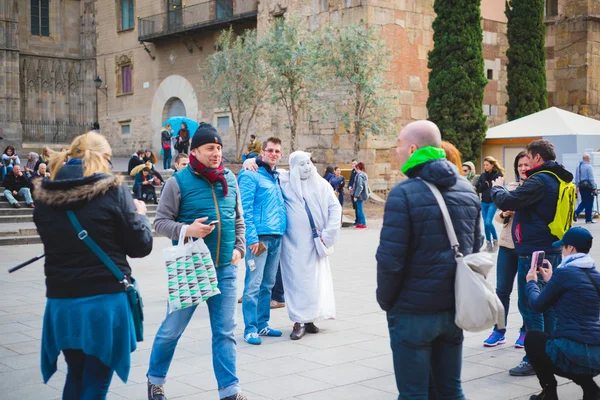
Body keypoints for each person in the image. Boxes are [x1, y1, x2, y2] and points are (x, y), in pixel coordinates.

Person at [33, 131, 152, 399]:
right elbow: (140, 246)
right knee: (96, 383)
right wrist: (141, 216)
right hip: (103, 303)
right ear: (105, 159)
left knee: (75, 374)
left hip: (61, 302)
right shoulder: (112, 190)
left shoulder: (44, 196)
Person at [376, 120, 482, 399]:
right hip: (453, 307)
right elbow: (476, 247)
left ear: (412, 148)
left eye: (399, 144)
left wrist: (386, 301)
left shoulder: (404, 193)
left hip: (413, 311)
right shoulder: (467, 189)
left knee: (413, 393)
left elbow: (390, 260)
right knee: (450, 389)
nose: (397, 151)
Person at [147, 122, 248, 400]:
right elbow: (160, 223)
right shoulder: (177, 182)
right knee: (172, 330)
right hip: (191, 268)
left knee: (225, 332)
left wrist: (239, 249)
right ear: (195, 151)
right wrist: (187, 230)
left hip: (226, 268)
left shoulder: (230, 177)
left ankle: (230, 391)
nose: (216, 153)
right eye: (210, 148)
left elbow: (238, 220)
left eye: (218, 148)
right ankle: (155, 381)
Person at [491, 139, 574, 377]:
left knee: (532, 305)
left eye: (529, 157)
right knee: (547, 305)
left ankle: (534, 359)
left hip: (534, 251)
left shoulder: (540, 180)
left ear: (537, 158)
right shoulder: (557, 178)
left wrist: (497, 187)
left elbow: (507, 201)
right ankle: (551, 353)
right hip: (550, 248)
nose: (526, 163)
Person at [524, 227, 600, 400]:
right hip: (597, 355)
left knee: (533, 338)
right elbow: (575, 295)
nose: (562, 251)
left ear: (571, 248)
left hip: (572, 352)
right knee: (574, 347)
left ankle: (549, 392)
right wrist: (551, 280)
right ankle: (591, 389)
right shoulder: (595, 275)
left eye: (563, 247)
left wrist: (531, 283)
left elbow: (537, 305)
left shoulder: (564, 273)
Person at [280, 151, 340, 340]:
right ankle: (299, 320)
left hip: (315, 242)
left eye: (308, 163)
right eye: (301, 164)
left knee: (314, 281)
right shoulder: (285, 182)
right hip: (293, 244)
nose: (306, 167)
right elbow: (266, 167)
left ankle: (310, 318)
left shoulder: (321, 184)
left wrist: (328, 234)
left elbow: (334, 207)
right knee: (296, 281)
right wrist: (250, 160)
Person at [238, 137, 287, 345]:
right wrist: (251, 237)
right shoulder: (251, 174)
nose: (273, 153)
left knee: (268, 284)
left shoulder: (276, 175)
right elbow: (244, 209)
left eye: (277, 151)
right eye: (269, 150)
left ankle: (262, 324)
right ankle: (249, 328)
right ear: (262, 152)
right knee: (253, 284)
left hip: (276, 237)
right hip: (259, 239)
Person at [483, 151, 529, 348]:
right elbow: (498, 219)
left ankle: (525, 331)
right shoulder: (510, 187)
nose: (523, 168)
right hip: (507, 245)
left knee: (527, 293)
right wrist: (504, 212)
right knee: (501, 290)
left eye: (526, 165)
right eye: (519, 165)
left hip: (527, 247)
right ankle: (499, 330)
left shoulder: (537, 188)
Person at [476, 156, 505, 252]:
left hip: (493, 201)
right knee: (485, 224)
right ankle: (488, 244)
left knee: (488, 222)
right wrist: (482, 186)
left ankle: (496, 240)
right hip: (484, 202)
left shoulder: (497, 175)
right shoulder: (482, 176)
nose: (485, 167)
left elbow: (498, 188)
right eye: (484, 165)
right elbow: (479, 188)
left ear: (492, 165)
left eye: (487, 165)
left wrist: (490, 186)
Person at [574, 153, 597, 224]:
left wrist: (577, 187)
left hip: (581, 187)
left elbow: (577, 178)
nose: (590, 160)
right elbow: (591, 178)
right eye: (589, 158)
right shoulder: (588, 167)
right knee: (589, 202)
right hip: (588, 187)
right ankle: (588, 219)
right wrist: (594, 188)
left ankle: (575, 213)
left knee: (584, 202)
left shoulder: (578, 167)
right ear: (587, 158)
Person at [353, 162, 369, 229]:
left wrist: (356, 195)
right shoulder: (364, 174)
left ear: (358, 168)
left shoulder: (359, 175)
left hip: (360, 195)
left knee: (359, 210)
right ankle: (360, 222)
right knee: (359, 209)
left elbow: (360, 186)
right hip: (363, 194)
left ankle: (363, 223)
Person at [348, 159, 358, 224]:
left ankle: (358, 220)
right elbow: (350, 180)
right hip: (352, 190)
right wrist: (349, 186)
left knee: (357, 206)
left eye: (355, 163)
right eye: (352, 164)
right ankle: (356, 219)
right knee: (354, 206)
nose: (353, 165)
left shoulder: (358, 172)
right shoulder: (352, 171)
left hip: (356, 190)